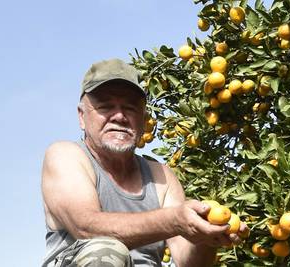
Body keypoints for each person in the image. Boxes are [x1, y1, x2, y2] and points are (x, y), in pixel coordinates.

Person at [41, 58, 247, 267]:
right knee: (104, 249)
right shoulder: (66, 155)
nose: (120, 116)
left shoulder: (162, 176)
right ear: (82, 117)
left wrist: (207, 236)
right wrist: (174, 220)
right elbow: (87, 228)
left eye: (130, 108)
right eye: (105, 107)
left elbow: (189, 262)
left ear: (143, 119)